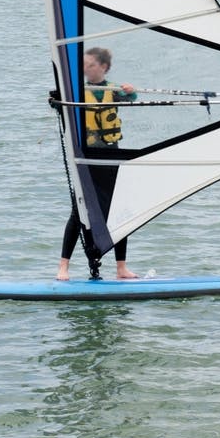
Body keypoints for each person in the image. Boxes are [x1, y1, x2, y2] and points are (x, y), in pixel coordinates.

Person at [57, 46, 139, 281]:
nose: (85, 69)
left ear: (103, 67)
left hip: (111, 157)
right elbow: (58, 102)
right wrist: (56, 99)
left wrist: (131, 91)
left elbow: (132, 98)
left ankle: (121, 268)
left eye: (90, 65)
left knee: (119, 211)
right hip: (85, 158)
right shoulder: (76, 91)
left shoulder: (113, 90)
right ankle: (63, 267)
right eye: (83, 65)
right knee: (78, 211)